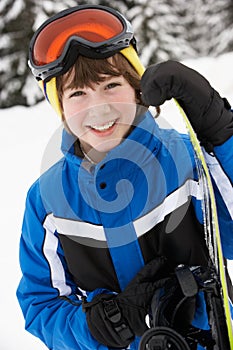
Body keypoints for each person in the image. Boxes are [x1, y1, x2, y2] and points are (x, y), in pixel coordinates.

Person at [17, 4, 233, 350]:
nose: (98, 108)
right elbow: (41, 305)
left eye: (110, 85)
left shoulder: (186, 160)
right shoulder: (47, 201)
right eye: (77, 93)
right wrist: (103, 324)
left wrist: (222, 136)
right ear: (59, 106)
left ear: (136, 88)